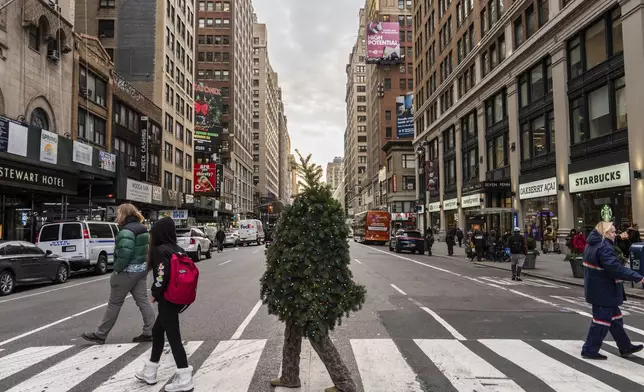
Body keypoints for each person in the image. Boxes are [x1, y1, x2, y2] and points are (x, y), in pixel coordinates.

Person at [82, 204, 155, 344]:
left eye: (119, 213)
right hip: (140, 270)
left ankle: (100, 334)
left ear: (123, 214)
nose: (117, 215)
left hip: (126, 272)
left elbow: (125, 254)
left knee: (114, 304)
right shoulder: (144, 229)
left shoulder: (126, 232)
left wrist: (116, 269)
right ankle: (150, 331)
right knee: (143, 302)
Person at [135, 217, 194, 391]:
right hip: (178, 297)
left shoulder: (160, 250)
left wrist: (154, 294)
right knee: (157, 330)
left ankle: (184, 377)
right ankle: (150, 371)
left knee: (174, 336)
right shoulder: (179, 249)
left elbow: (162, 276)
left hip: (168, 299)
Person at [581, 221, 644, 360]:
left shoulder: (592, 244)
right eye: (613, 232)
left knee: (615, 319)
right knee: (601, 321)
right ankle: (589, 350)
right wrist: (638, 277)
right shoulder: (604, 247)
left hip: (597, 288)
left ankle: (625, 346)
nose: (616, 234)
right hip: (604, 290)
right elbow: (615, 269)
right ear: (605, 233)